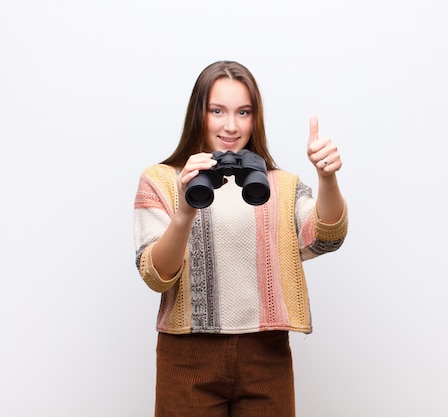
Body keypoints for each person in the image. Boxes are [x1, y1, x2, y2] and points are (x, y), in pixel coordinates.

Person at [133, 60, 348, 417]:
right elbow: (156, 275)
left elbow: (326, 237)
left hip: (267, 353)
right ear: (198, 113)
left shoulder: (280, 184)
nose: (230, 125)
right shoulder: (162, 180)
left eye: (243, 112)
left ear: (255, 117)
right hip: (187, 355)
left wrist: (326, 178)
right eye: (217, 110)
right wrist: (186, 209)